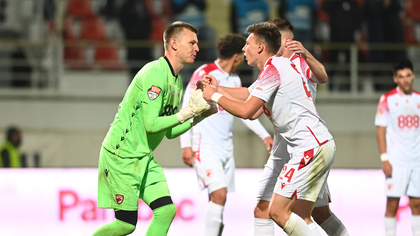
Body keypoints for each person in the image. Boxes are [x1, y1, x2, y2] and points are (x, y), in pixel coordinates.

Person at [202, 22, 336, 235]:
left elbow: (247, 111)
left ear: (260, 47)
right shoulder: (274, 69)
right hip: (313, 145)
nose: (243, 49)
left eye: (247, 44)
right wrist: (217, 88)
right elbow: (249, 99)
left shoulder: (275, 68)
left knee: (284, 212)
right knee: (276, 210)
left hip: (310, 147)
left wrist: (214, 96)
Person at [92, 21, 217, 236]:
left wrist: (198, 116)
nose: (197, 48)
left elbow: (168, 132)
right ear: (174, 44)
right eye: (192, 42)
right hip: (122, 156)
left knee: (166, 210)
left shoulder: (176, 81)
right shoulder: (155, 74)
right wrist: (187, 112)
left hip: (143, 157)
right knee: (126, 224)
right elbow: (151, 125)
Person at [253, 18, 348, 236]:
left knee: (304, 213)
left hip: (304, 145)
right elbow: (254, 103)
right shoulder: (272, 67)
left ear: (287, 41)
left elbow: (322, 76)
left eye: (274, 37)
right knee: (265, 207)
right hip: (284, 145)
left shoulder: (298, 62)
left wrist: (306, 53)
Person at [180, 33, 274, 236]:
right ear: (237, 56)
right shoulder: (204, 73)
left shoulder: (235, 79)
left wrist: (264, 135)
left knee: (217, 198)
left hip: (226, 148)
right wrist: (184, 144)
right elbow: (187, 106)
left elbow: (245, 111)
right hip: (204, 145)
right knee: (219, 195)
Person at [375, 60, 420, 236]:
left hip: (416, 160)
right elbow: (380, 130)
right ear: (395, 79)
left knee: (417, 203)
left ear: (413, 76)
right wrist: (384, 159)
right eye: (401, 77)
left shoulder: (418, 98)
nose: (406, 80)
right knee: (392, 204)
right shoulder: (387, 99)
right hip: (396, 161)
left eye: (408, 75)